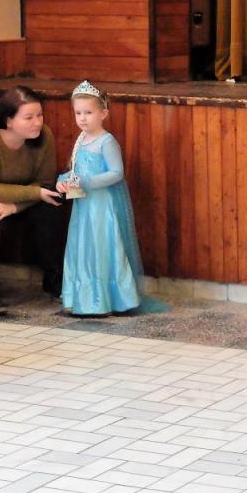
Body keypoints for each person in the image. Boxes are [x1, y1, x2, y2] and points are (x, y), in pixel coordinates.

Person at [0, 85, 66, 316]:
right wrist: (32, 195)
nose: (37, 122)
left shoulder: (44, 136)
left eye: (40, 115)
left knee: (52, 203)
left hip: (20, 193)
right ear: (8, 121)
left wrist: (15, 206)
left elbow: (45, 183)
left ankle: (54, 276)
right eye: (29, 117)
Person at [55, 81, 149, 317]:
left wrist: (86, 181)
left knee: (101, 247)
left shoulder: (107, 141)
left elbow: (117, 173)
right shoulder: (81, 140)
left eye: (88, 112)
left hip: (101, 207)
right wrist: (63, 180)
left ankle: (106, 299)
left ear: (103, 114)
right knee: (83, 248)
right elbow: (75, 170)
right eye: (78, 113)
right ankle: (83, 299)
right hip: (83, 208)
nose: (82, 118)